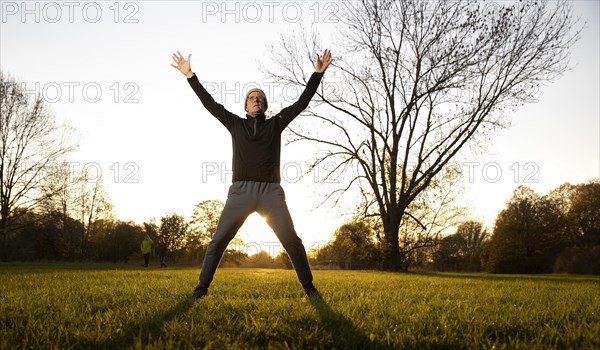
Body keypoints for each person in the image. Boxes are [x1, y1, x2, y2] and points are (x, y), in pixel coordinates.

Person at [170, 48, 332, 300]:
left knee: (292, 242)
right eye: (251, 97)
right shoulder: (235, 123)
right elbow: (210, 103)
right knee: (217, 242)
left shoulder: (276, 123)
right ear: (245, 104)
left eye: (259, 97)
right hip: (241, 192)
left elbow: (302, 103)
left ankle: (310, 289)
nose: (256, 99)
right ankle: (201, 289)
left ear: (264, 105)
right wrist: (190, 76)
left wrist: (317, 74)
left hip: (271, 193)